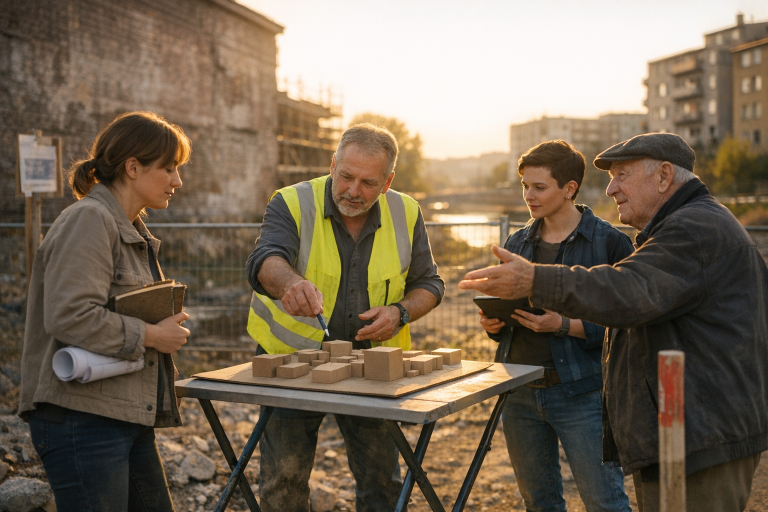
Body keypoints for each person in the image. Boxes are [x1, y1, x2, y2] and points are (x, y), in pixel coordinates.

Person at [459, 133, 768, 512]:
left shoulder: (691, 229)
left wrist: (535, 281)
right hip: (689, 428)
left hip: (699, 434)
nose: (610, 189)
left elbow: (628, 290)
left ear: (664, 176)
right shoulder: (686, 225)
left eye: (622, 174)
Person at [245, 123, 444, 511]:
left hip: (375, 366)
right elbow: (265, 259)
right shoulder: (290, 201)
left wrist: (400, 312)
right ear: (333, 164)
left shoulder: (406, 211)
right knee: (283, 484)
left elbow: (430, 284)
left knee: (381, 483)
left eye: (368, 183)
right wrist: (289, 283)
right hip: (293, 364)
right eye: (346, 176)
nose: (354, 191)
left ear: (387, 182)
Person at [19, 111, 192, 512]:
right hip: (80, 421)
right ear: (133, 167)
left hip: (122, 416)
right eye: (169, 168)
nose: (177, 181)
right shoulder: (89, 220)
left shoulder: (131, 229)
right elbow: (70, 316)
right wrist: (153, 336)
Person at [478, 140, 632, 512]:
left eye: (539, 187)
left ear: (569, 189)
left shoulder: (609, 242)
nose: (528, 196)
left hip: (583, 394)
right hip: (519, 391)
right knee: (539, 503)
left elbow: (627, 324)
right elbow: (504, 324)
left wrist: (563, 325)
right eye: (525, 187)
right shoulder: (517, 241)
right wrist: (492, 323)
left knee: (605, 501)